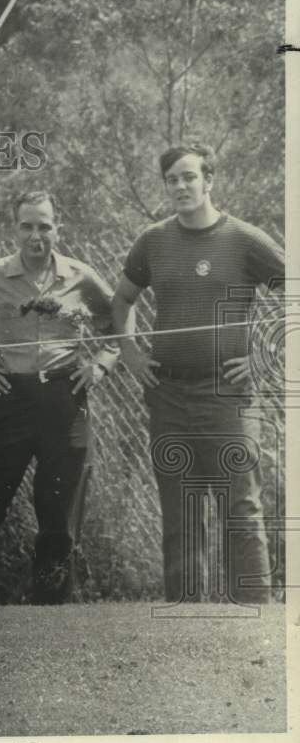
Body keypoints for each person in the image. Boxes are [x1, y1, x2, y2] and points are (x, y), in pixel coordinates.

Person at [111, 143, 283, 605]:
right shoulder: (153, 241)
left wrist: (265, 357)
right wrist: (129, 353)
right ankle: (185, 625)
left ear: (209, 180)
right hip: (167, 395)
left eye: (189, 177)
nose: (181, 186)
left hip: (228, 396)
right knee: (181, 513)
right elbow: (122, 300)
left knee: (241, 511)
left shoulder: (245, 239)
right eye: (172, 179)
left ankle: (256, 625)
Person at [0, 191, 118, 604]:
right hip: (11, 398)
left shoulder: (81, 277)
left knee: (59, 508)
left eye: (45, 226)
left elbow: (117, 325)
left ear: (58, 228)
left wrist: (100, 364)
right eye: (27, 226)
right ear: (15, 228)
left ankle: (49, 606)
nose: (36, 235)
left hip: (66, 396)